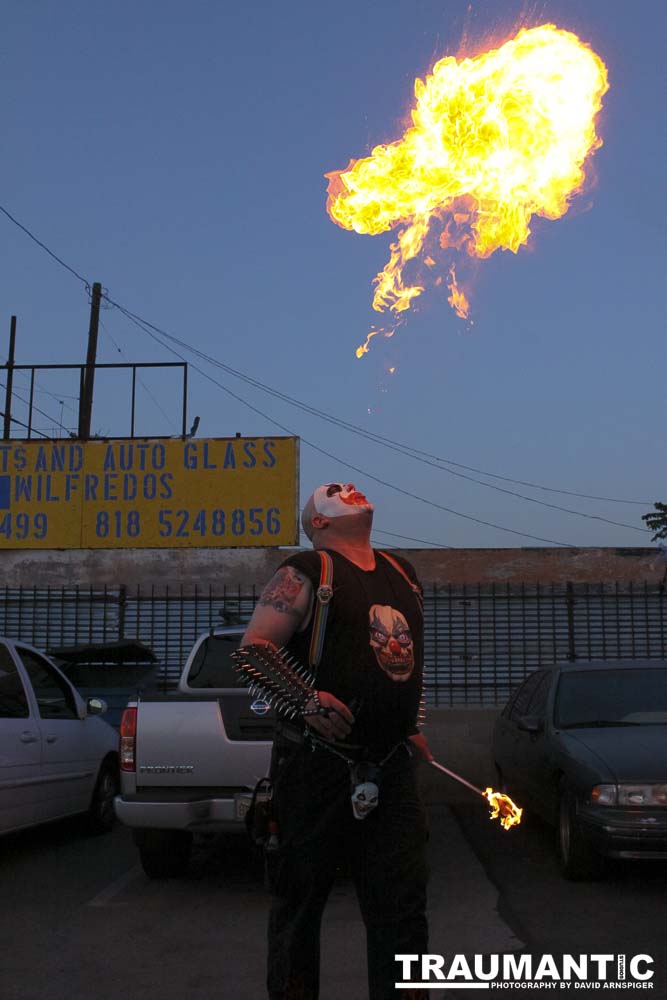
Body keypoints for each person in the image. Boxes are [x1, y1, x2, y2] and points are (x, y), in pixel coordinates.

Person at [241, 482, 432, 1000]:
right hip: (314, 765)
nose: (348, 488)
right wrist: (306, 701)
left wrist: (412, 724)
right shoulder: (305, 570)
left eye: (350, 489)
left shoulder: (402, 574)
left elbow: (403, 663)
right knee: (298, 906)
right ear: (318, 523)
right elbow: (254, 651)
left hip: (390, 765)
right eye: (332, 492)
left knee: (403, 908)